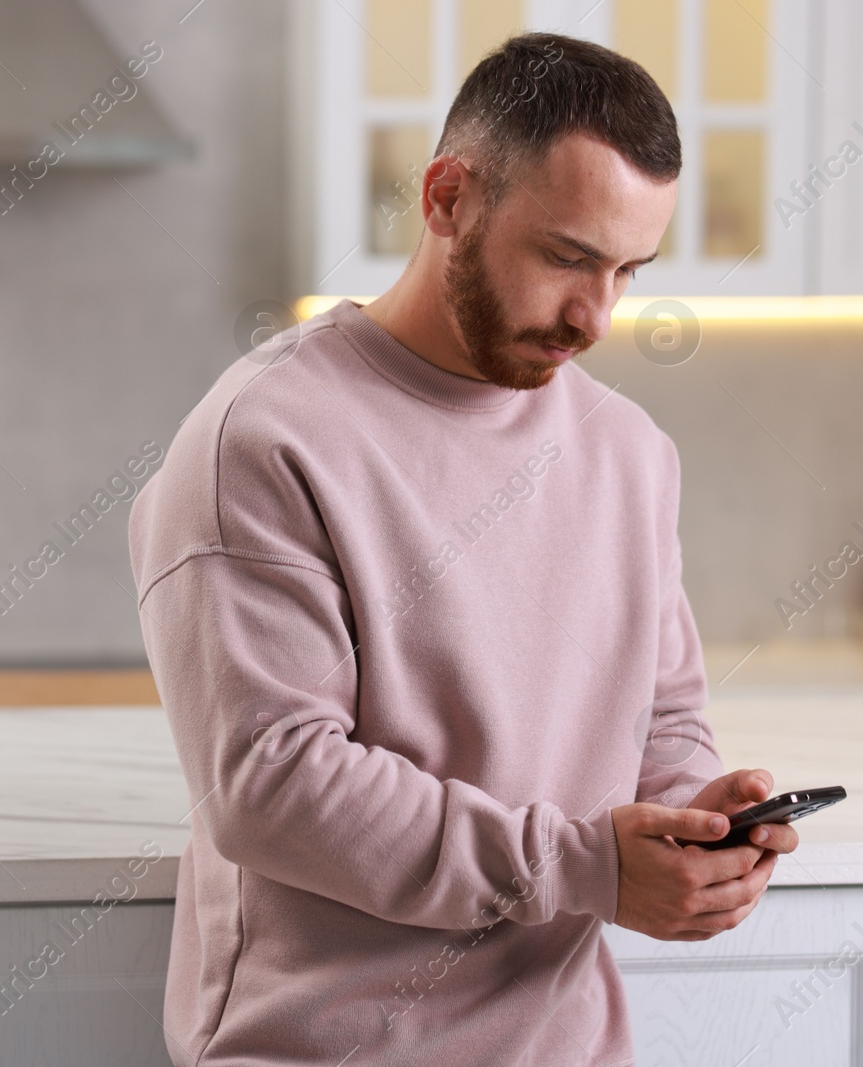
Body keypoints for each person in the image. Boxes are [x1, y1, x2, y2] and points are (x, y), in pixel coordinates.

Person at [127, 31, 799, 1067]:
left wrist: (701, 820)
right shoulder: (264, 440)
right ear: (446, 199)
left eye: (627, 269)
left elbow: (661, 712)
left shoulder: (627, 451)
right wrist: (585, 865)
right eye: (566, 257)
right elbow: (273, 786)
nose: (596, 315)